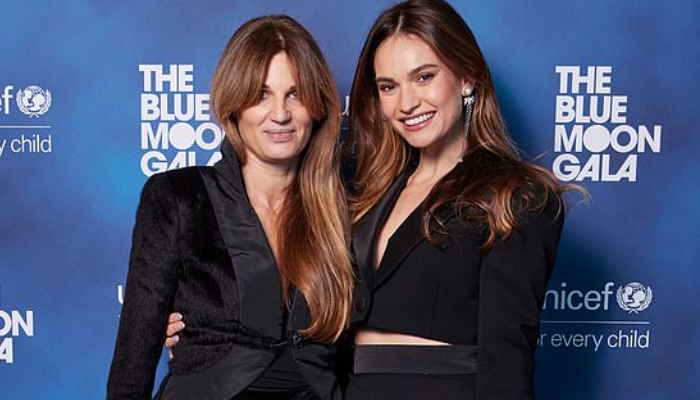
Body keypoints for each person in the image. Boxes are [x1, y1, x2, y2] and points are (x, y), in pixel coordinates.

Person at [107, 15, 356, 400]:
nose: (280, 113)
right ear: (234, 104)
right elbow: (134, 354)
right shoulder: (178, 197)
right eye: (261, 94)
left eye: (295, 93)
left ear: (318, 106)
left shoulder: (346, 208)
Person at [344, 0, 580, 399]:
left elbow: (505, 361)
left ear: (466, 77)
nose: (406, 103)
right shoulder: (366, 194)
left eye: (424, 77)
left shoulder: (514, 196)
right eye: (389, 86)